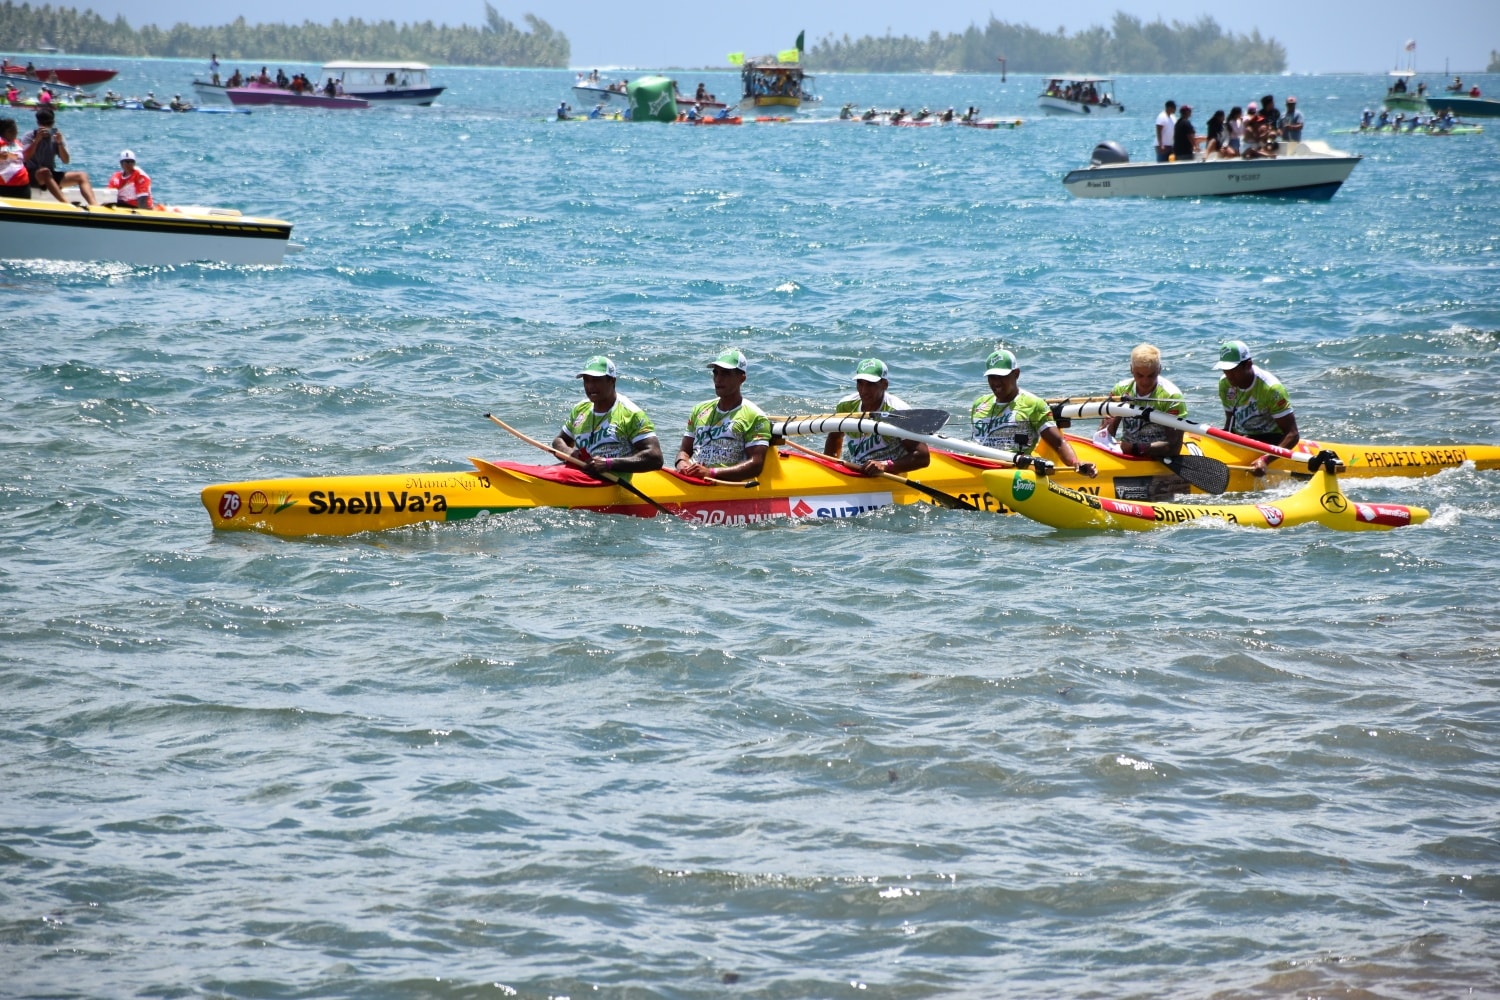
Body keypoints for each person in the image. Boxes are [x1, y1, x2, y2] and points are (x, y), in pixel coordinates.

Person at [970, 349, 1096, 476]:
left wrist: (1075, 463)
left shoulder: (1034, 404)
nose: (996, 382)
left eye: (1002, 376)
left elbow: (1058, 442)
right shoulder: (979, 404)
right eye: (992, 377)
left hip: (1012, 472)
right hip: (978, 467)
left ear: (1016, 374)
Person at [551, 355, 663, 479]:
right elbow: (558, 441)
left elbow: (655, 458)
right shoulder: (580, 410)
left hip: (612, 481)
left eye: (596, 380)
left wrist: (610, 464)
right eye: (586, 380)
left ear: (612, 381)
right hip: (582, 475)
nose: (590, 386)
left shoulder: (631, 414)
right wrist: (570, 453)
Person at [820, 358, 930, 476]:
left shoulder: (898, 412)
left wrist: (885, 466)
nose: (864, 390)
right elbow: (834, 437)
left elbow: (923, 457)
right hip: (858, 467)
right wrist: (830, 469)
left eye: (870, 384)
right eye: (860, 383)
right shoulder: (846, 406)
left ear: (885, 385)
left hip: (889, 474)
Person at [675, 349, 772, 483]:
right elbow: (684, 451)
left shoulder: (755, 416)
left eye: (725, 373)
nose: (718, 379)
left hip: (724, 484)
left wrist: (711, 472)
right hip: (693, 481)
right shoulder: (699, 410)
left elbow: (756, 465)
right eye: (715, 373)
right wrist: (682, 463)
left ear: (742, 378)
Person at [1215, 340, 1298, 475]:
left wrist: (1266, 459)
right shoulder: (1224, 383)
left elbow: (1292, 434)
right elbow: (1230, 420)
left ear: (1248, 364)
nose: (1229, 376)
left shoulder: (1271, 389)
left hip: (1271, 438)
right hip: (1243, 437)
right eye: (1225, 370)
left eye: (1233, 371)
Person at [1098, 344, 1187, 460]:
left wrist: (1137, 449)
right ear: (1131, 369)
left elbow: (1173, 446)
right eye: (1139, 375)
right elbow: (1105, 432)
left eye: (1151, 375)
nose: (1145, 382)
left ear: (1159, 369)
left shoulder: (1172, 396)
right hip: (1129, 454)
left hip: (1159, 457)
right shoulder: (1120, 390)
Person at [22, 108, 96, 205]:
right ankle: (66, 204)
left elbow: (66, 160)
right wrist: (36, 141)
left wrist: (60, 143)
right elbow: (25, 157)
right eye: (43, 124)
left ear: (53, 123)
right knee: (45, 171)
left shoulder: (56, 136)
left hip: (49, 175)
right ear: (38, 123)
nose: (45, 127)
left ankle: (95, 205)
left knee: (82, 176)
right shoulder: (29, 136)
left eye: (48, 124)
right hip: (32, 175)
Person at [1, 116, 31, 198]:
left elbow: (22, 157)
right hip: (4, 184)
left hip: (22, 183)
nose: (17, 132)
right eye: (15, 130)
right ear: (8, 131)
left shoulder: (17, 143)